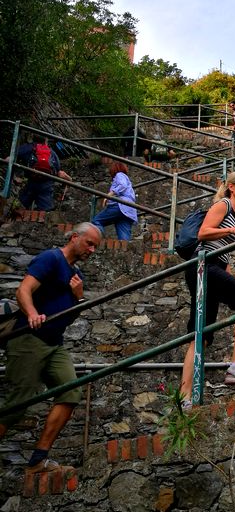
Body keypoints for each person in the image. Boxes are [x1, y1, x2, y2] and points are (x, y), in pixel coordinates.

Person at [0, 223, 102, 475]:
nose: (92, 250)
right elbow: (23, 289)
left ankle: (38, 459)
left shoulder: (77, 275)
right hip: (29, 339)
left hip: (54, 343)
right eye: (89, 243)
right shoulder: (50, 258)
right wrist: (32, 313)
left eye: (95, 247)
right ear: (75, 237)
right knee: (17, 404)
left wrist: (78, 297)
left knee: (71, 392)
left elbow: (68, 318)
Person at [180, 171, 235, 401]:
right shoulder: (223, 205)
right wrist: (233, 230)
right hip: (203, 265)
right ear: (231, 187)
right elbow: (203, 233)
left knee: (202, 333)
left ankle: (184, 396)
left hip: (211, 268)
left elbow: (222, 251)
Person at [10, 137, 72, 211]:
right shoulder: (51, 152)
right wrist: (69, 179)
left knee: (21, 205)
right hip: (46, 184)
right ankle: (43, 217)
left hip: (32, 181)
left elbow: (11, 157)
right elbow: (58, 171)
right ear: (46, 140)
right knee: (45, 211)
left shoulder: (28, 147)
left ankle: (17, 216)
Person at [91, 162, 138, 241]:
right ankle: (124, 251)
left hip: (120, 205)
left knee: (96, 221)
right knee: (124, 240)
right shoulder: (126, 179)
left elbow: (122, 185)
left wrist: (109, 195)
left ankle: (98, 241)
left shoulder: (119, 174)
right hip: (129, 210)